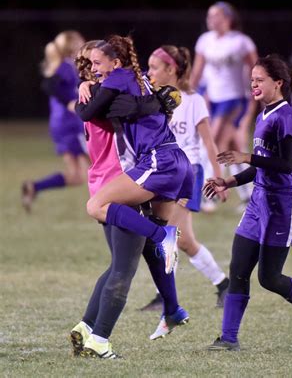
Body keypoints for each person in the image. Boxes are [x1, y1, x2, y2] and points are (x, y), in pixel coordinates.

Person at [203, 55, 292, 351]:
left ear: (277, 83)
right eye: (251, 80)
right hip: (258, 203)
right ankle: (228, 339)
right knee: (238, 268)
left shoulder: (286, 117)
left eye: (259, 80)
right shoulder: (263, 114)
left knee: (269, 277)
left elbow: (286, 164)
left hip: (281, 206)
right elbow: (262, 166)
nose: (253, 84)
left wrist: (246, 157)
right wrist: (230, 181)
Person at [70, 35, 191, 358]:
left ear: (114, 63)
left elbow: (136, 104)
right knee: (124, 265)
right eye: (91, 64)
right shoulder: (104, 94)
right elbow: (108, 107)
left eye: (99, 64)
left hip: (123, 179)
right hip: (128, 180)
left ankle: (93, 331)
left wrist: (157, 100)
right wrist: (159, 100)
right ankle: (97, 333)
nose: (95, 70)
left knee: (122, 265)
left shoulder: (104, 90)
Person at [136, 45, 230, 316]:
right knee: (184, 240)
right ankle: (223, 284)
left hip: (187, 173)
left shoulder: (193, 100)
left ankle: (164, 297)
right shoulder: (153, 98)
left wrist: (218, 174)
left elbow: (209, 143)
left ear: (171, 69)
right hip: (164, 171)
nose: (149, 72)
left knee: (167, 236)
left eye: (155, 67)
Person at [190, 1, 258, 211]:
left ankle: (207, 193)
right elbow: (197, 71)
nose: (211, 20)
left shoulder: (241, 42)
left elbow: (257, 69)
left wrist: (255, 97)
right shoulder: (205, 41)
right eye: (209, 16)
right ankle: (249, 195)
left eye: (216, 15)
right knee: (232, 148)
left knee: (214, 140)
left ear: (228, 18)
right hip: (213, 98)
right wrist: (188, 95)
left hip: (235, 98)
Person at [22, 31, 89, 212]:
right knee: (92, 168)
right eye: (80, 42)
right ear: (72, 46)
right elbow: (49, 85)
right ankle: (107, 207)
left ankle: (34, 187)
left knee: (77, 176)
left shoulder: (69, 66)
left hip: (62, 125)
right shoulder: (66, 66)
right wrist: (68, 101)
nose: (84, 44)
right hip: (70, 125)